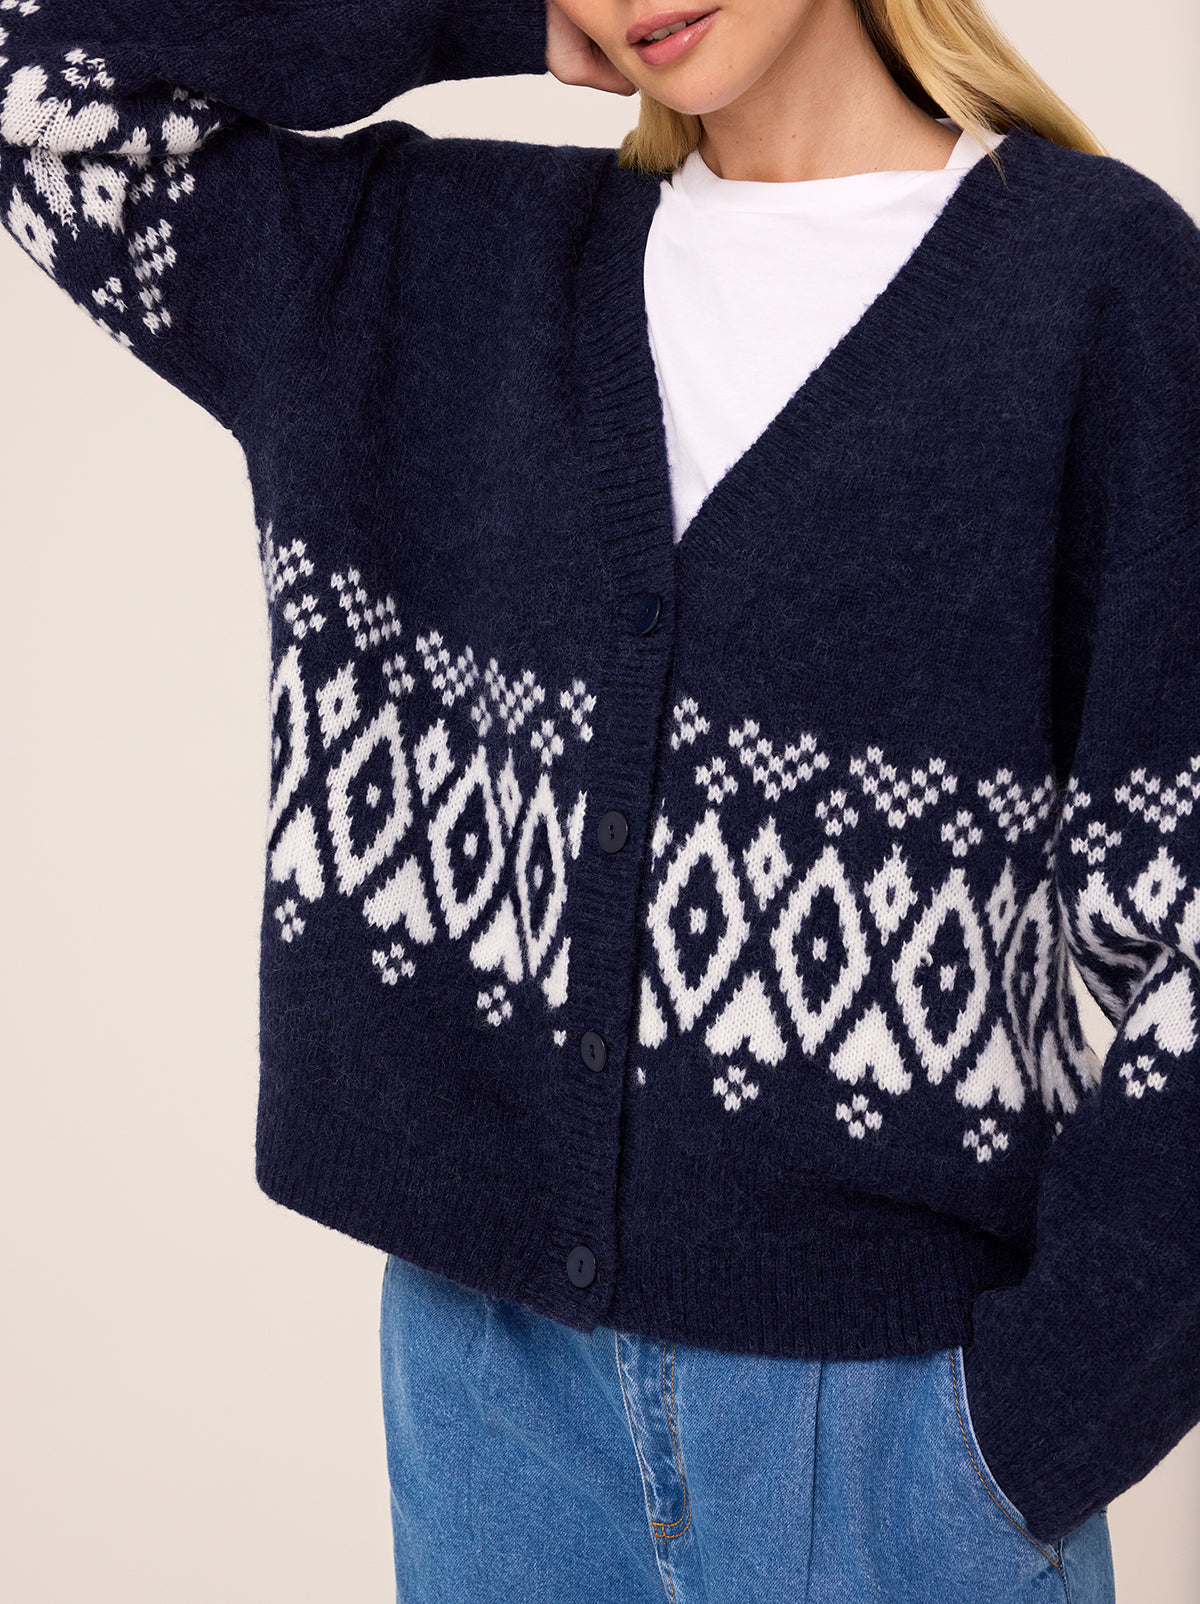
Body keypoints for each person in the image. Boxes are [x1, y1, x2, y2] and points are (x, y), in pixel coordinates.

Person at [2, 1, 1197, 1598]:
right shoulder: (437, 269)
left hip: (895, 1440)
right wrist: (479, 8)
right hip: (492, 1419)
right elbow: (36, 81)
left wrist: (1027, 1437)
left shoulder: (1095, 291)